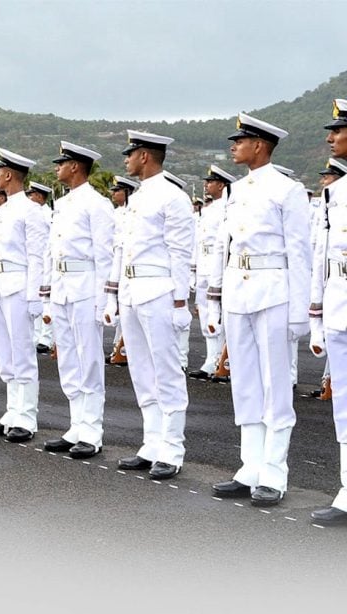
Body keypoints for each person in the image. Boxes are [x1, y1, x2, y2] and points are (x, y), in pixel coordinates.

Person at [206, 113, 310, 507]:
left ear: (261, 145)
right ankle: (249, 465)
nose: (234, 146)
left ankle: (274, 472)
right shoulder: (237, 190)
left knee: (275, 383)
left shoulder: (288, 190)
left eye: (241, 140)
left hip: (273, 290)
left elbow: (300, 253)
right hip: (239, 290)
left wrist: (300, 311)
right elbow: (228, 247)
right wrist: (217, 296)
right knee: (245, 380)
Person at [103, 130, 194, 479]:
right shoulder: (138, 199)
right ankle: (152, 441)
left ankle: (172, 448)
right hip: (132, 289)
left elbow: (180, 253)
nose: (126, 159)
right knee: (141, 371)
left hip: (158, 290)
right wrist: (115, 293)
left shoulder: (172, 197)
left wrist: (180, 301)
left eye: (131, 153)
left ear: (145, 156)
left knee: (167, 371)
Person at [41, 142, 114, 459]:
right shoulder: (64, 204)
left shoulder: (96, 205)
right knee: (69, 359)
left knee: (89, 360)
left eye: (62, 163)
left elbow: (104, 256)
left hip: (86, 287)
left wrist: (103, 300)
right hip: (63, 287)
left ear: (75, 166)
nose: (57, 167)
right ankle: (76, 426)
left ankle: (92, 431)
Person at [0, 148, 48, 441]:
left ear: (8, 175)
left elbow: (37, 257)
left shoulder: (31, 211)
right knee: (5, 353)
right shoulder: (2, 211)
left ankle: (26, 416)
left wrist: (35, 297)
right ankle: (12, 410)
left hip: (19, 285)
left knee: (22, 353)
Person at [308, 99, 347, 524]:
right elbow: (323, 256)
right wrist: (317, 315)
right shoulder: (335, 191)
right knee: (345, 407)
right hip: (340, 301)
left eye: (338, 130)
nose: (330, 137)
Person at [188, 165, 234, 380]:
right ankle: (210, 359)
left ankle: (223, 361)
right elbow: (198, 242)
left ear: (221, 184)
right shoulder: (208, 209)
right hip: (205, 266)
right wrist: (194, 270)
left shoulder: (229, 207)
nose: (206, 184)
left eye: (210, 181)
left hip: (219, 266)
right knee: (205, 314)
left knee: (220, 315)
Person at [105, 176, 138, 366]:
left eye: (117, 191)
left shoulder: (134, 212)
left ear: (126, 192)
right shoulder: (114, 213)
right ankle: (118, 345)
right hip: (115, 259)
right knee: (117, 304)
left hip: (129, 262)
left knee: (127, 306)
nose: (113, 194)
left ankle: (123, 347)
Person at [26, 182, 55, 354]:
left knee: (47, 303)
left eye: (32, 194)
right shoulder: (33, 213)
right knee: (36, 300)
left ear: (39, 196)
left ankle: (47, 337)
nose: (29, 197)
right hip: (36, 263)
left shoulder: (48, 214)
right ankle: (37, 336)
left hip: (46, 262)